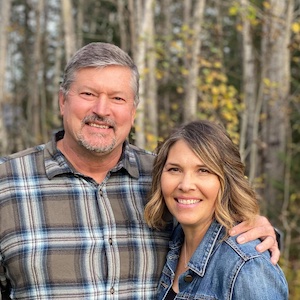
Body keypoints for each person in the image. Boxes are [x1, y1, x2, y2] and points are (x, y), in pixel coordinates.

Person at [0, 42, 279, 299]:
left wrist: (260, 230)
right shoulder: (7, 183)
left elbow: (217, 235)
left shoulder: (162, 179)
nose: (101, 109)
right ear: (63, 100)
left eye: (117, 98)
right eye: (88, 94)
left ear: (133, 111)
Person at [144, 120, 289, 299]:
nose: (186, 185)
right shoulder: (174, 242)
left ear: (226, 181)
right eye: (175, 169)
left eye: (203, 170)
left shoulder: (248, 266)